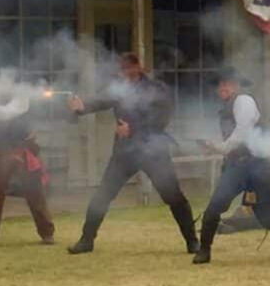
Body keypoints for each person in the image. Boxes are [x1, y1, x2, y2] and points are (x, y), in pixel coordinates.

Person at [66, 53, 197, 255]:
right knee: (103, 195)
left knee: (174, 197)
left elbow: (162, 119)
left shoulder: (157, 89)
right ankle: (86, 240)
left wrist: (133, 128)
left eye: (128, 68)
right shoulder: (119, 88)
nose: (125, 73)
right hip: (125, 152)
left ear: (138, 67)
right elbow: (101, 101)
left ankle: (192, 241)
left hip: (153, 150)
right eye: (122, 69)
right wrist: (81, 107)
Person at [193, 67, 270, 264]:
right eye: (220, 84)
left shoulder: (244, 101)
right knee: (214, 207)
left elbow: (242, 132)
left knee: (266, 216)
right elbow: (234, 138)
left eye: (227, 83)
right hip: (236, 166)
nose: (223, 87)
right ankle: (204, 250)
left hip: (255, 166)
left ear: (235, 85)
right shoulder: (228, 107)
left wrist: (221, 148)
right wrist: (215, 147)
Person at [0, 96, 54, 250]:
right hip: (3, 149)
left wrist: (32, 130)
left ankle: (47, 232)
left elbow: (32, 116)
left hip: (23, 146)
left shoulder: (25, 96)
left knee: (34, 190)